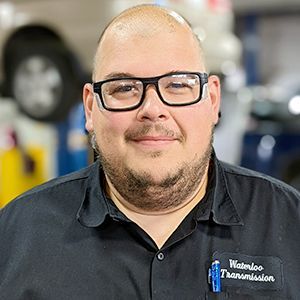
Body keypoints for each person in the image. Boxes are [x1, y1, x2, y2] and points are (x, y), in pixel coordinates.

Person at [0, 4, 299, 299]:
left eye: (178, 85)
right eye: (124, 88)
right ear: (91, 107)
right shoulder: (15, 237)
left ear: (213, 100)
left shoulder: (290, 223)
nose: (153, 110)